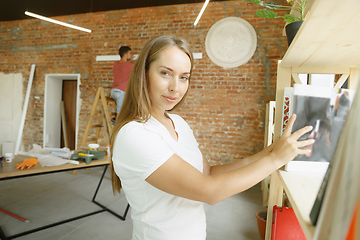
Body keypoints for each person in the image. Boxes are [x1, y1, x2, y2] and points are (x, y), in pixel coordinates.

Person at [110, 35, 315, 240]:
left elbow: (208, 172)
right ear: (143, 74)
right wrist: (275, 159)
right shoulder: (134, 134)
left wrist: (269, 152)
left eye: (184, 77)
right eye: (165, 73)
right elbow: (209, 190)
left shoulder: (177, 122)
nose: (176, 87)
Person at [111, 46, 134, 117]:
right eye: (129, 53)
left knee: (122, 110)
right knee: (120, 114)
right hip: (121, 92)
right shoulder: (130, 66)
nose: (131, 55)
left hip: (113, 92)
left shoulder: (115, 64)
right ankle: (118, 126)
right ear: (125, 55)